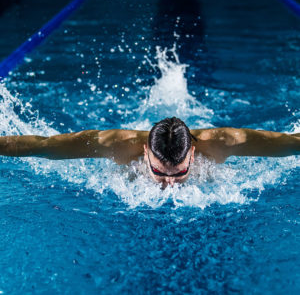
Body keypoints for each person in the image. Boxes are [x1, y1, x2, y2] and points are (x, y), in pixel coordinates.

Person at [0, 117, 299, 187]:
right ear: (145, 152)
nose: (169, 185)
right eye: (158, 172)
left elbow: (290, 143)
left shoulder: (225, 142)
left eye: (180, 174)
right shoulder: (114, 144)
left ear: (192, 155)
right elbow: (44, 145)